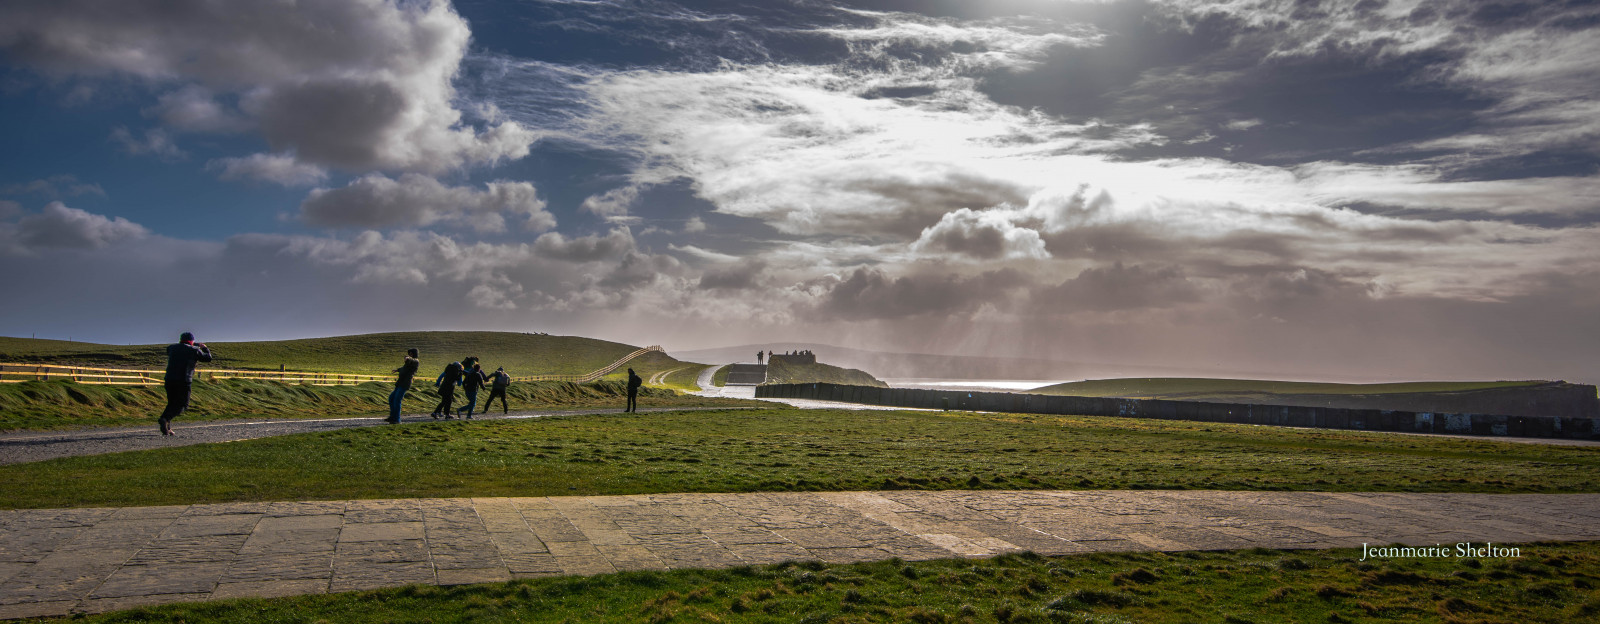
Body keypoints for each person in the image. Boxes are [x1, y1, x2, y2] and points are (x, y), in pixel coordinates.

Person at [158, 332, 212, 436]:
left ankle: (167, 427)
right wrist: (204, 348)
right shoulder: (194, 350)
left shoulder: (172, 348)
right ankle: (165, 419)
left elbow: (177, 349)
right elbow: (208, 358)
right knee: (183, 405)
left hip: (169, 379)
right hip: (184, 380)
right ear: (192, 341)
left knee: (171, 403)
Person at [387, 348, 419, 424]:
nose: (409, 355)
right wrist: (397, 370)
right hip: (400, 383)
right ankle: (392, 417)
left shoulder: (416, 361)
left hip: (405, 384)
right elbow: (403, 368)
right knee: (391, 398)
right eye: (409, 354)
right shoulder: (408, 363)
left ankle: (397, 419)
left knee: (397, 400)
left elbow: (412, 360)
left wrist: (408, 358)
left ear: (414, 354)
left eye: (411, 353)